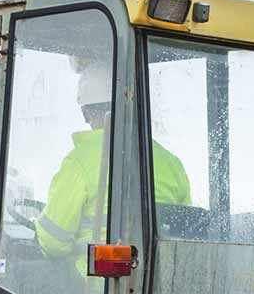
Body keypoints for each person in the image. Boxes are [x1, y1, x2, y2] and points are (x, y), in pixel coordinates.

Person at [36, 60, 190, 260]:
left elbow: (53, 241)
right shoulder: (170, 162)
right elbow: (185, 228)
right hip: (155, 277)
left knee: (21, 272)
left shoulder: (78, 162)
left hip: (95, 282)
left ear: (86, 113)